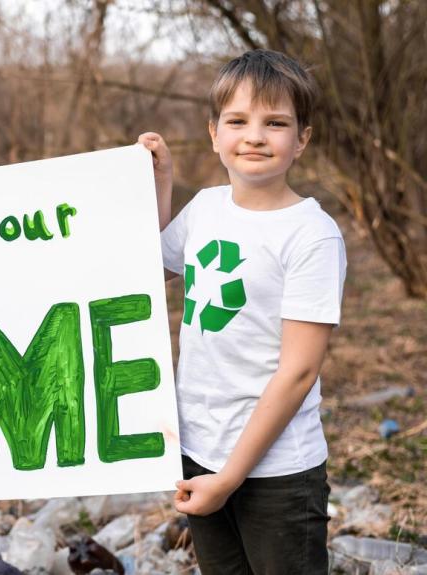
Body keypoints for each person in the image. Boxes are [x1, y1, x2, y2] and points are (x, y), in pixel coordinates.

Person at [138, 49, 346, 574]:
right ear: (214, 133)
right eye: (237, 121)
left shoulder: (311, 235)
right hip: (199, 448)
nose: (254, 136)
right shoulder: (206, 208)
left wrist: (230, 478)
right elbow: (148, 269)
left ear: (302, 139)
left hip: (276, 471)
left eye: (275, 123)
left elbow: (298, 372)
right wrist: (161, 182)